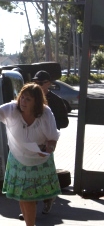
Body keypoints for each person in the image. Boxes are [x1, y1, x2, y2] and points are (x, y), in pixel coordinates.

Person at [0, 83, 61, 226]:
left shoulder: (45, 113)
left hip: (39, 161)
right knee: (22, 198)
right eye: (22, 96)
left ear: (36, 102)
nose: (23, 101)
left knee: (28, 198)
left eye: (28, 99)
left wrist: (48, 148)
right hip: (18, 159)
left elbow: (53, 138)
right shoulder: (11, 109)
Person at [32, 70, 69, 214]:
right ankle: (31, 205)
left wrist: (50, 125)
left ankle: (48, 199)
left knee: (44, 172)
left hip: (48, 140)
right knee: (32, 171)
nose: (37, 85)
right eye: (35, 82)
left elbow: (64, 122)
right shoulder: (30, 98)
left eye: (40, 83)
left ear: (48, 84)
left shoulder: (55, 100)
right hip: (31, 140)